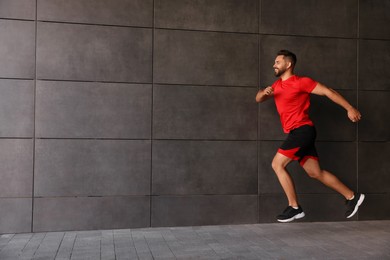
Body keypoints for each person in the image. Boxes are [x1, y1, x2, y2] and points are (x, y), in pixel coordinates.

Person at [256, 50, 365, 223]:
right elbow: (259, 99)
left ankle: (294, 207)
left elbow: (329, 92)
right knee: (315, 172)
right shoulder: (276, 85)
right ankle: (352, 196)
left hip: (302, 131)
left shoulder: (301, 82)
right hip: (297, 133)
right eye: (274, 62)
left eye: (277, 62)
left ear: (288, 64)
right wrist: (264, 93)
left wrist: (349, 108)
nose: (274, 65)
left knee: (277, 164)